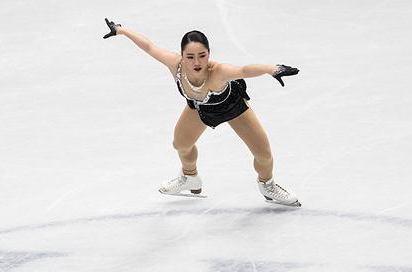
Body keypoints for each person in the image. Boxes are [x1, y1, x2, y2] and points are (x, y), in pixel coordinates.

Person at [102, 18, 301, 206]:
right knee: (180, 144)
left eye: (202, 56)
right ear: (181, 56)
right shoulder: (175, 65)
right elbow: (150, 47)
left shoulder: (218, 72)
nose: (197, 62)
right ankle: (190, 177)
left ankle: (268, 185)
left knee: (264, 155)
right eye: (190, 57)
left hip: (234, 109)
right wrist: (121, 30)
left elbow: (244, 70)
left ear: (208, 54)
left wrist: (272, 69)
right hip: (200, 108)